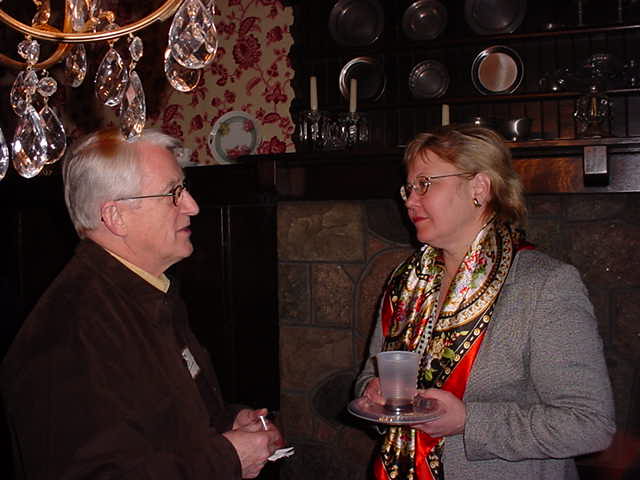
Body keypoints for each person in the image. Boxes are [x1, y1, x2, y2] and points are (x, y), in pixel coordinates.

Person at [1, 128, 283, 479]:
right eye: (173, 193)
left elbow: (162, 423)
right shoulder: (68, 333)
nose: (192, 206)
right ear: (116, 216)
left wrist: (229, 424)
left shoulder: (146, 292)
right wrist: (226, 458)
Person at [354, 124, 615, 480]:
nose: (410, 200)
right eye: (409, 188)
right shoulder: (405, 282)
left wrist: (469, 422)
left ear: (478, 187)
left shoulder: (544, 285)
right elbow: (374, 374)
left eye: (425, 184)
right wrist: (372, 391)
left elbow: (590, 424)